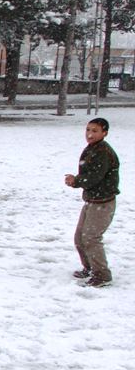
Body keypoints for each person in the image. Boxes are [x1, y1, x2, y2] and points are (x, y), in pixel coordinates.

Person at [64, 117, 120, 288]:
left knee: (91, 238)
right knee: (80, 238)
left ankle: (102, 275)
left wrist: (76, 181)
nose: (89, 134)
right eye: (88, 130)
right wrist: (78, 182)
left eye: (95, 131)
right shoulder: (93, 149)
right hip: (92, 200)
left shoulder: (103, 152)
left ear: (105, 133)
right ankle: (89, 268)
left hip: (103, 203)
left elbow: (95, 177)